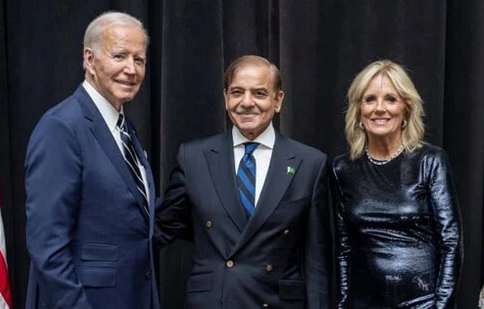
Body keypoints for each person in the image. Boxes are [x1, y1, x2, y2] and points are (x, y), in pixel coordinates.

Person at [156, 55, 331, 308]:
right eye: (237, 92)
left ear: (278, 100)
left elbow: (317, 260)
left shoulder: (310, 163)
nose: (246, 103)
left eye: (259, 93)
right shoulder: (193, 157)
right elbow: (166, 227)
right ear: (226, 97)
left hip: (276, 302)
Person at [24, 12, 159, 309]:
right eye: (120, 56)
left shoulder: (123, 128)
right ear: (89, 59)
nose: (131, 69)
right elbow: (47, 246)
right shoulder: (61, 127)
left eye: (139, 59)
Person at [332, 59, 463, 308]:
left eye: (391, 99)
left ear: (406, 109)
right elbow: (343, 248)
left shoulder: (430, 161)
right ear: (358, 110)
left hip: (422, 303)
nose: (380, 108)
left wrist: (442, 306)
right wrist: (342, 303)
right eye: (370, 99)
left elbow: (451, 243)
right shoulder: (343, 169)